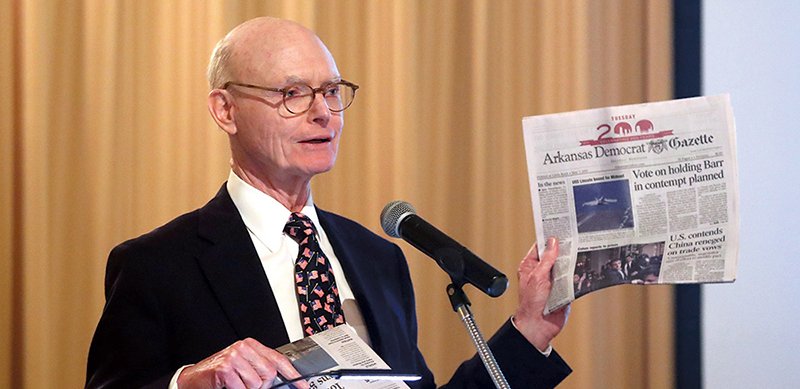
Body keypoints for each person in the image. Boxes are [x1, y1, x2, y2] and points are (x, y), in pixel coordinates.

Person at [85, 17, 572, 389]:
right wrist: (189, 383)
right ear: (225, 110)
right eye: (293, 93)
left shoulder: (379, 259)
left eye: (332, 91)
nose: (323, 114)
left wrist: (530, 329)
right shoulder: (157, 265)